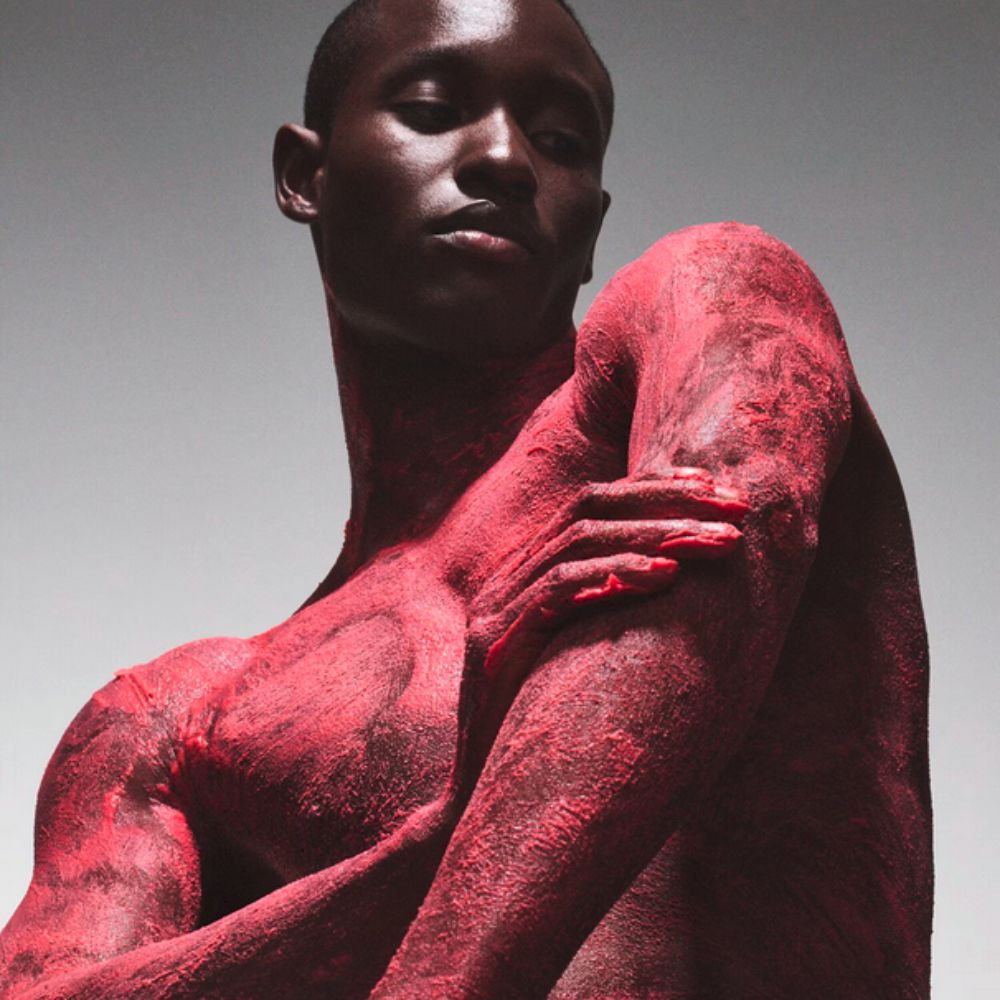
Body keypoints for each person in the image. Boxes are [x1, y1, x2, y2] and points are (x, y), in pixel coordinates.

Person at [0, 0, 932, 996]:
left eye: (560, 140)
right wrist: (436, 839)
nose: (504, 158)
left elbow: (749, 505)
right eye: (434, 108)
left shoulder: (713, 303)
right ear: (304, 176)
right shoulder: (172, 717)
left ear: (590, 230)